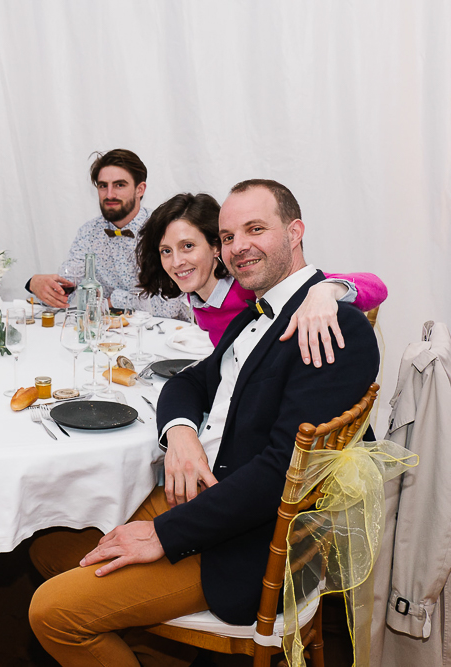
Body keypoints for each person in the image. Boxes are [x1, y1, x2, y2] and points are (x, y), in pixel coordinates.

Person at [28, 179, 380, 666]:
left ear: (294, 231)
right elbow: (190, 382)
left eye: (255, 229)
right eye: (230, 236)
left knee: (51, 613)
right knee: (50, 547)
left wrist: (165, 534)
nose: (239, 247)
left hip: (248, 540)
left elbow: (281, 473)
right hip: (205, 488)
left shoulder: (329, 326)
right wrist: (180, 433)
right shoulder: (258, 311)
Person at [136, 191, 388, 362]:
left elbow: (377, 286)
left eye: (188, 246)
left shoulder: (252, 282)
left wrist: (325, 289)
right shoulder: (198, 297)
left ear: (216, 246)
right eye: (166, 251)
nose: (176, 262)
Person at [24, 149, 189, 319]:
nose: (109, 195)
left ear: (140, 189)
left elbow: (169, 305)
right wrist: (37, 285)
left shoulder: (163, 229)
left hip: (167, 331)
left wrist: (111, 301)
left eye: (119, 185)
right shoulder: (88, 232)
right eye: (103, 186)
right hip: (109, 332)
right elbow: (67, 288)